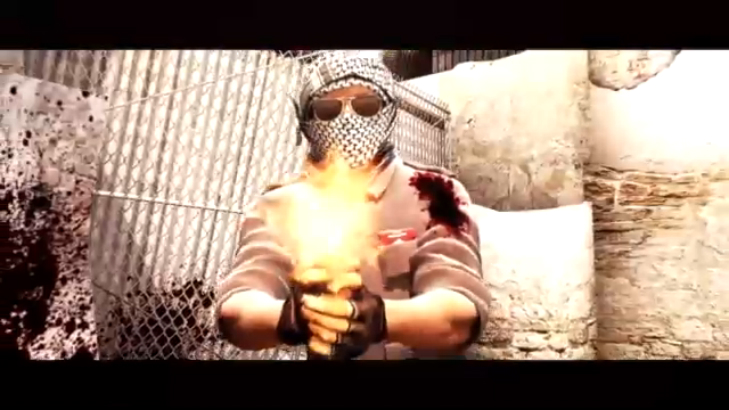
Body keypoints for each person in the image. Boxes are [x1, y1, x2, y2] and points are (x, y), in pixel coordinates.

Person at [215, 51, 490, 360]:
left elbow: (460, 312)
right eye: (328, 109)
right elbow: (237, 309)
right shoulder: (280, 207)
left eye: (366, 105)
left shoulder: (436, 193)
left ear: (389, 112)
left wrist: (379, 320)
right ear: (306, 121)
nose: (348, 119)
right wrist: (290, 318)